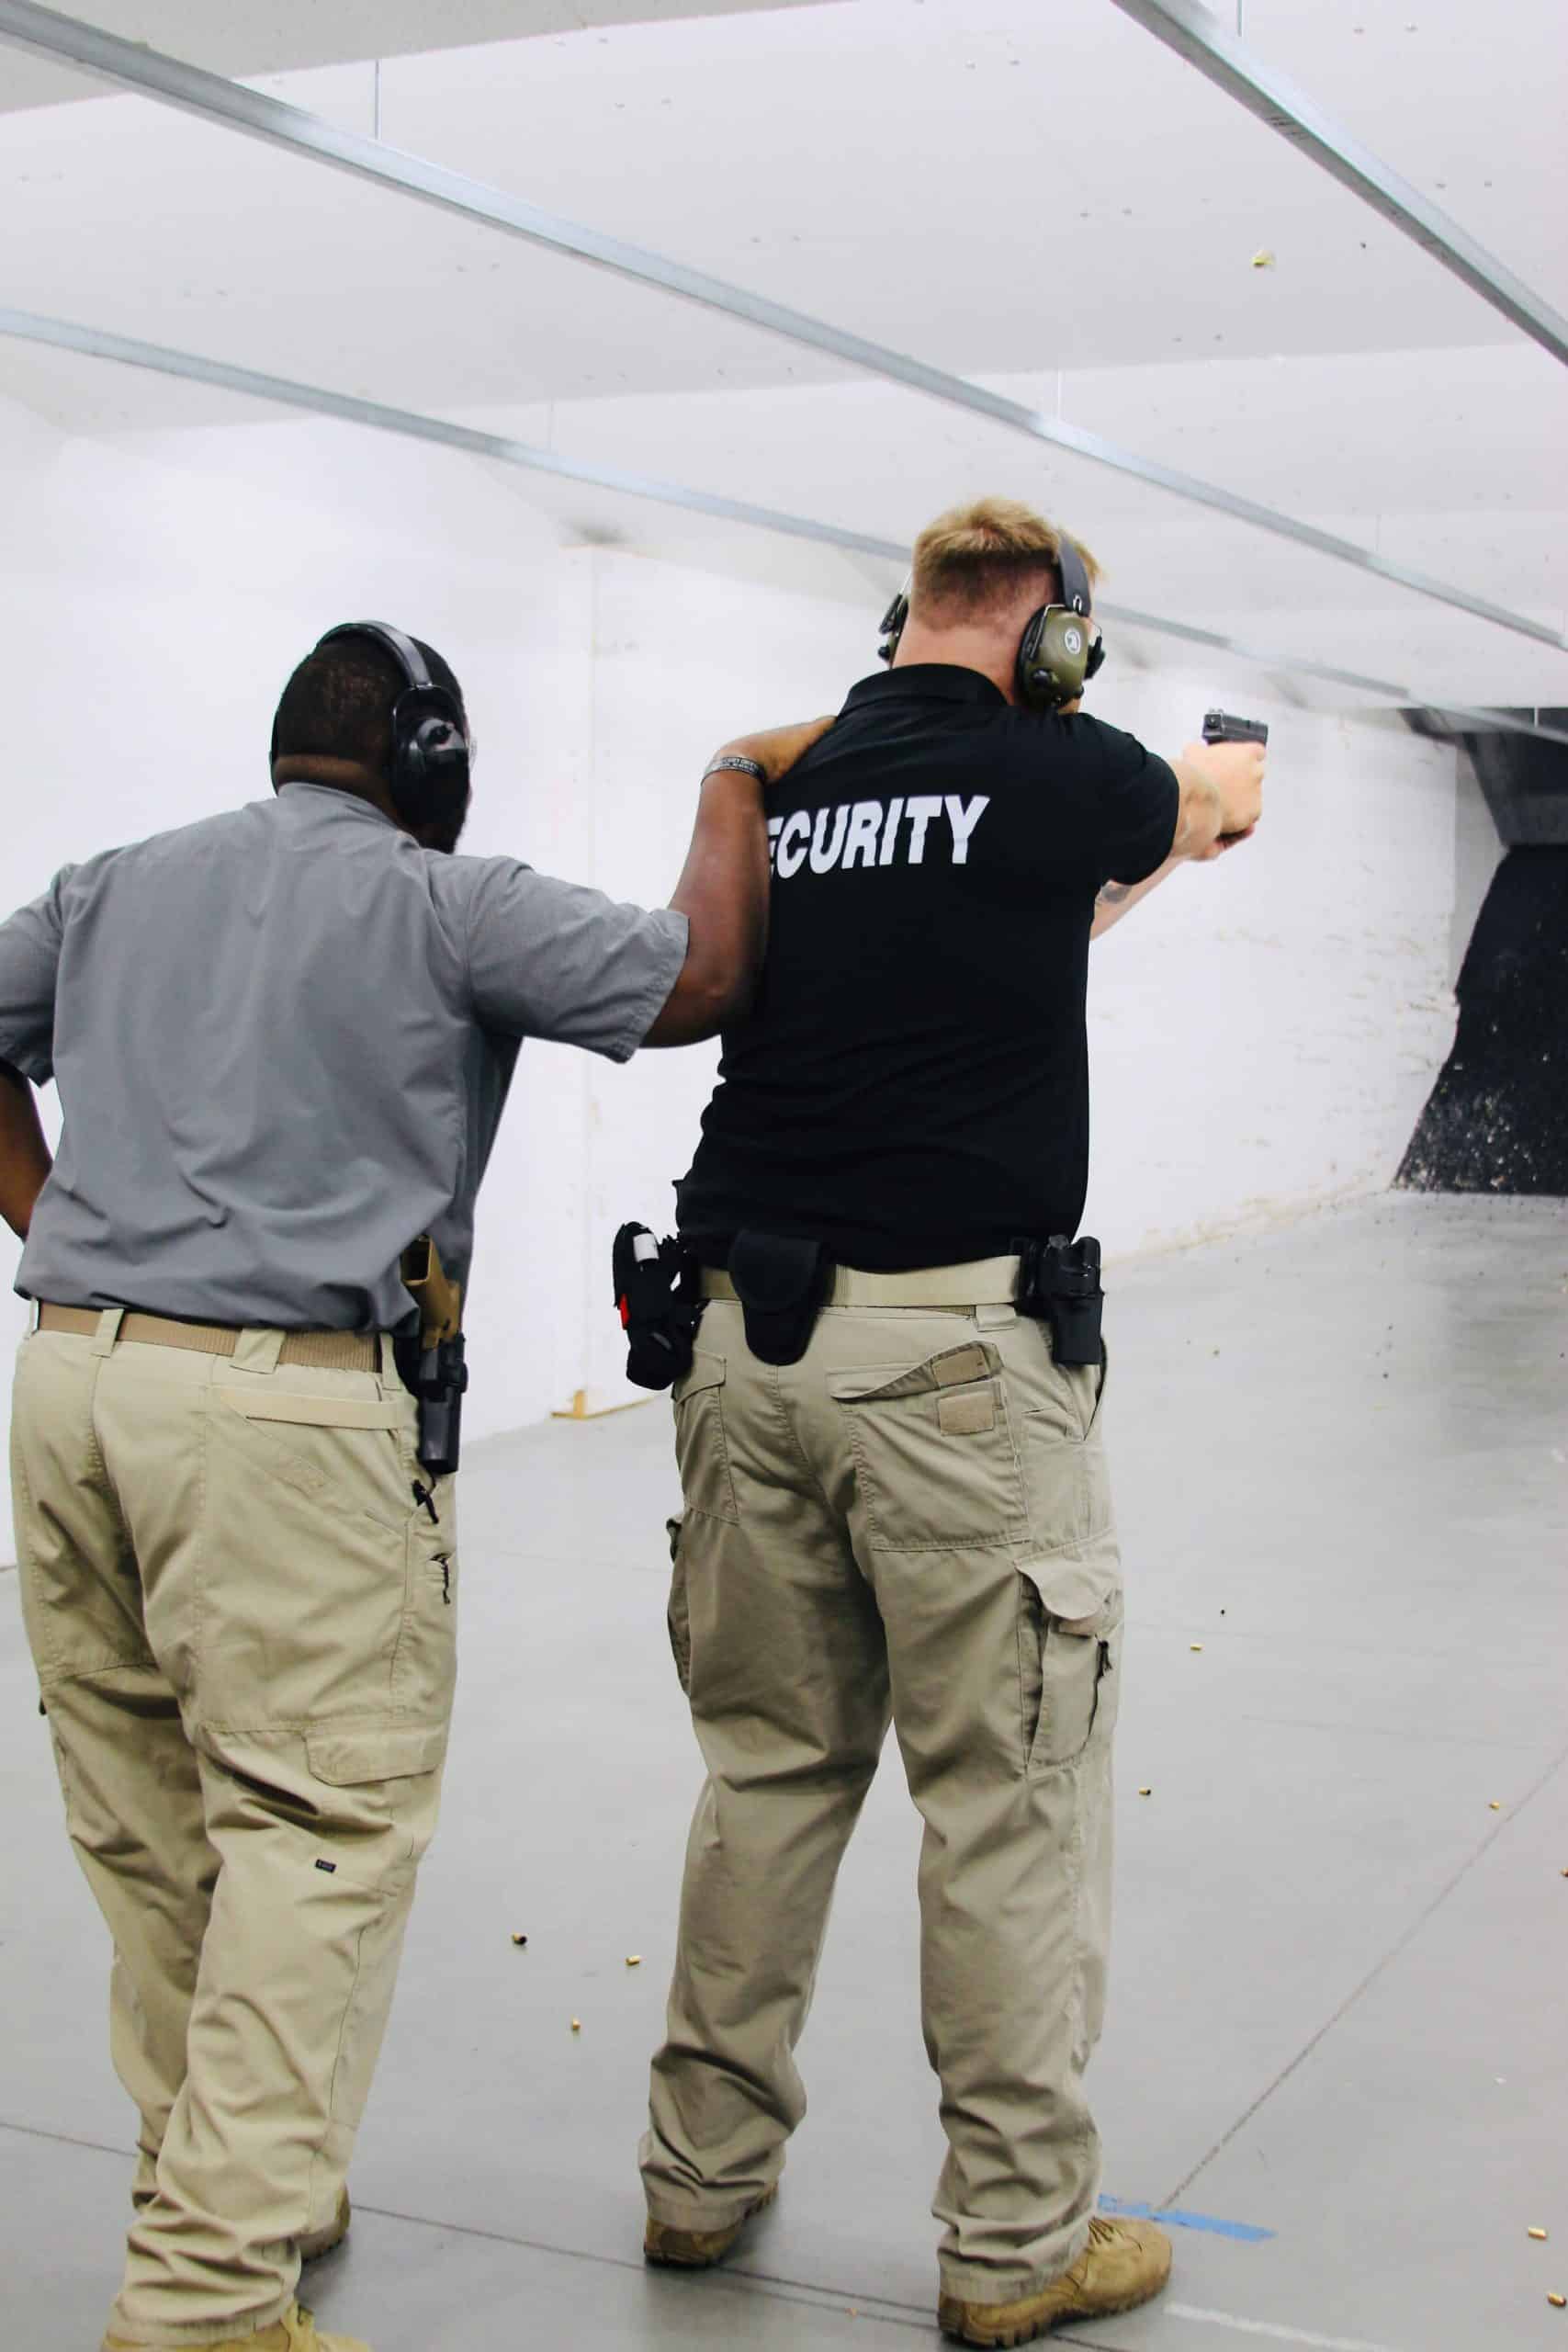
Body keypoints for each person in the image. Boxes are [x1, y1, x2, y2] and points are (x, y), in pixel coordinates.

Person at [0, 619, 821, 2352]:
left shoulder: (109, 886)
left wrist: (57, 1224)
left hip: (71, 1384)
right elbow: (700, 979)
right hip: (286, 1411)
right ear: (433, 766)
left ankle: (233, 2193)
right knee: (316, 1831)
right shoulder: (454, 904)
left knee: (153, 1828)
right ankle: (209, 2302)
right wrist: (732, 780)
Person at [638, 498, 1267, 2346]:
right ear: (1056, 637)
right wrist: (1226, 778)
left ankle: (696, 2179)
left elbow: (1022, 914)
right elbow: (1192, 810)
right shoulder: (1064, 765)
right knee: (1004, 1803)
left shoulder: (796, 780)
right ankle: (1012, 2243)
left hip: (740, 1346)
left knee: (767, 1774)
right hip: (952, 1373)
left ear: (902, 617)